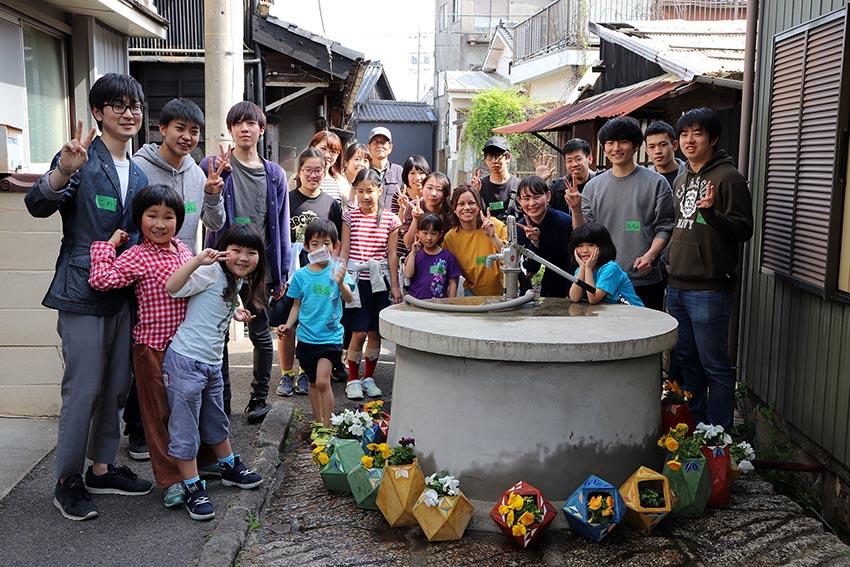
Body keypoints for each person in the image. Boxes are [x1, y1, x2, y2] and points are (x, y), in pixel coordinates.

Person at [25, 73, 153, 521]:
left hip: (123, 295)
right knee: (83, 388)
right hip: (80, 291)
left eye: (135, 105)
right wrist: (62, 169)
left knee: (118, 385)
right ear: (98, 113)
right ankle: (68, 481)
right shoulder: (82, 161)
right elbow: (38, 205)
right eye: (117, 105)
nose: (129, 113)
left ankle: (101, 467)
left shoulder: (138, 173)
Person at [88, 184, 216, 508]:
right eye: (152, 215)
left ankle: (195, 468)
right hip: (152, 349)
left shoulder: (184, 251)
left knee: (187, 412)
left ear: (179, 220)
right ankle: (171, 480)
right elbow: (102, 280)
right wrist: (108, 246)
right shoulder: (137, 255)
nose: (160, 224)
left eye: (168, 216)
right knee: (159, 416)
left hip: (186, 349)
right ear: (139, 218)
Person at [125, 97, 226, 461]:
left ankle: (186, 438)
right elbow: (128, 221)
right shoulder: (139, 168)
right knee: (148, 356)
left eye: (193, 131)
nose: (186, 137)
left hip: (185, 276)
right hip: (147, 276)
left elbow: (213, 224)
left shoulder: (198, 173)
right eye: (179, 128)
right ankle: (138, 431)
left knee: (178, 357)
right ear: (162, 129)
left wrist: (213, 197)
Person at [164, 224, 266, 521]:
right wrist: (197, 260)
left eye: (251, 252)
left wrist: (235, 312)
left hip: (210, 364)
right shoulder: (210, 271)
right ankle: (192, 486)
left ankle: (227, 465)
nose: (243, 257)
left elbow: (211, 303)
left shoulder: (233, 280)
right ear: (223, 251)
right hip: (186, 362)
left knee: (216, 417)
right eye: (236, 250)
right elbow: (173, 287)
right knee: (185, 427)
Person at [200, 101, 291, 424]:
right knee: (219, 334)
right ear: (231, 129)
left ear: (261, 130)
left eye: (251, 123)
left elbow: (280, 224)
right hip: (222, 262)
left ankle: (257, 399)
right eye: (237, 123)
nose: (244, 129)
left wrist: (281, 272)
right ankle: (221, 400)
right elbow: (203, 210)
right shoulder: (215, 164)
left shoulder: (274, 173)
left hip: (259, 266)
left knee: (261, 334)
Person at [666, 107, 753, 431]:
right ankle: (695, 425)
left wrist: (714, 214)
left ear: (713, 139)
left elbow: (744, 229)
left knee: (714, 364)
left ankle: (718, 435)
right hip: (677, 285)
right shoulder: (682, 176)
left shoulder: (728, 178)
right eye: (685, 134)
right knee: (687, 359)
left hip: (709, 288)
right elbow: (681, 224)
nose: (689, 140)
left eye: (697, 133)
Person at [572, 116, 675, 311]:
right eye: (610, 143)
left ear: (636, 146)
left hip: (643, 278)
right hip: (601, 280)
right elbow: (582, 235)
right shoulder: (592, 188)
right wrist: (576, 208)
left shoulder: (657, 183)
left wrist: (651, 255)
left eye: (623, 142)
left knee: (647, 337)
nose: (616, 148)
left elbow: (665, 226)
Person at [275, 149, 343, 398]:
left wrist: (338, 268)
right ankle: (286, 373)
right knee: (287, 322)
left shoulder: (331, 204)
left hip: (321, 274)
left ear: (324, 173)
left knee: (312, 319)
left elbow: (337, 241)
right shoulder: (287, 198)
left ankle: (307, 371)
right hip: (292, 272)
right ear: (299, 171)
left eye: (318, 170)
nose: (313, 175)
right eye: (308, 170)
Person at [276, 220, 355, 430]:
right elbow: (296, 305)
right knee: (312, 382)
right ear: (306, 247)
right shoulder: (301, 275)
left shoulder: (338, 270)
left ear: (335, 246)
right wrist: (288, 325)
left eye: (326, 243)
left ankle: (329, 424)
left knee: (322, 381)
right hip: (306, 337)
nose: (321, 248)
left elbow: (349, 299)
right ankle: (319, 423)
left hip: (330, 337)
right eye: (315, 243)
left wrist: (340, 283)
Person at [340, 169, 401, 400]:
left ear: (380, 190)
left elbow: (393, 254)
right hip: (356, 282)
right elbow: (344, 251)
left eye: (370, 191)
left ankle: (369, 377)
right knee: (358, 332)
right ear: (355, 192)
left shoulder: (391, 220)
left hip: (380, 282)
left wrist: (395, 286)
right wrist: (339, 277)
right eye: (361, 191)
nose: (365, 196)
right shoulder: (349, 216)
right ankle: (352, 378)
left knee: (375, 332)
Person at [515, 175, 574, 298]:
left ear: (548, 196)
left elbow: (571, 261)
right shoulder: (520, 228)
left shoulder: (564, 222)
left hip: (570, 278)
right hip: (548, 283)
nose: (532, 203)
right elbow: (530, 269)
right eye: (526, 198)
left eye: (537, 197)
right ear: (520, 201)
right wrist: (535, 242)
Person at [442, 184, 507, 296]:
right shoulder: (450, 238)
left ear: (478, 206)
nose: (467, 207)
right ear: (454, 209)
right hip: (472, 292)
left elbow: (511, 258)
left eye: (471, 203)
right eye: (461, 204)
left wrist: (493, 236)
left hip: (504, 292)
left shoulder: (495, 225)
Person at [568, 222, 644, 306]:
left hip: (632, 312)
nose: (585, 250)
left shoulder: (611, 268)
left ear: (603, 246)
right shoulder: (582, 269)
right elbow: (574, 298)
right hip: (610, 313)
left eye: (591, 245)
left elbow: (593, 298)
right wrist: (582, 268)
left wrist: (588, 269)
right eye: (580, 246)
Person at [403, 213, 461, 299]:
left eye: (433, 233)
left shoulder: (448, 257)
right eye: (425, 233)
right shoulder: (416, 254)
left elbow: (452, 282)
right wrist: (413, 253)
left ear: (440, 234)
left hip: (438, 304)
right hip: (416, 302)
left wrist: (451, 302)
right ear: (417, 233)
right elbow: (408, 274)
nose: (429, 238)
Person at [399, 171, 452, 252]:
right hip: (418, 255)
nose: (433, 193)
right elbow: (408, 244)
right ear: (422, 188)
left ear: (446, 194)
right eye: (429, 188)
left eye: (439, 189)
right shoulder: (414, 206)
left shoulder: (451, 210)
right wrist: (416, 219)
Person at [470, 136, 519, 222]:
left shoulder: (520, 185)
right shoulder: (479, 186)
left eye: (498, 156)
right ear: (485, 160)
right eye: (490, 156)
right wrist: (474, 193)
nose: (494, 161)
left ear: (508, 157)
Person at [393, 155, 431, 258]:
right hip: (402, 249)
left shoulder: (431, 195)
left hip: (428, 247)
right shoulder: (399, 195)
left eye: (421, 173)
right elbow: (396, 227)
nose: (417, 178)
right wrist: (402, 209)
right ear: (406, 175)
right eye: (412, 173)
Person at [548, 138, 596, 214]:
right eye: (569, 161)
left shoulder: (600, 184)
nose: (574, 164)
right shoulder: (556, 188)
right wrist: (540, 179)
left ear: (589, 159)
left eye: (578, 159)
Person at [367, 127, 404, 212]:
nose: (380, 146)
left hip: (392, 223)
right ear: (368, 147)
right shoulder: (364, 172)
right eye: (375, 142)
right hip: (367, 222)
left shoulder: (399, 172)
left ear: (390, 147)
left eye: (383, 142)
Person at [645, 121, 686, 189]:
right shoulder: (645, 179)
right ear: (647, 150)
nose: (657, 151)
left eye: (663, 145)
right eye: (652, 147)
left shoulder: (690, 173)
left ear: (675, 145)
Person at [341, 142, 370, 207]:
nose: (362, 164)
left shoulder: (368, 183)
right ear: (346, 162)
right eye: (357, 159)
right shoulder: (337, 181)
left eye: (365, 161)